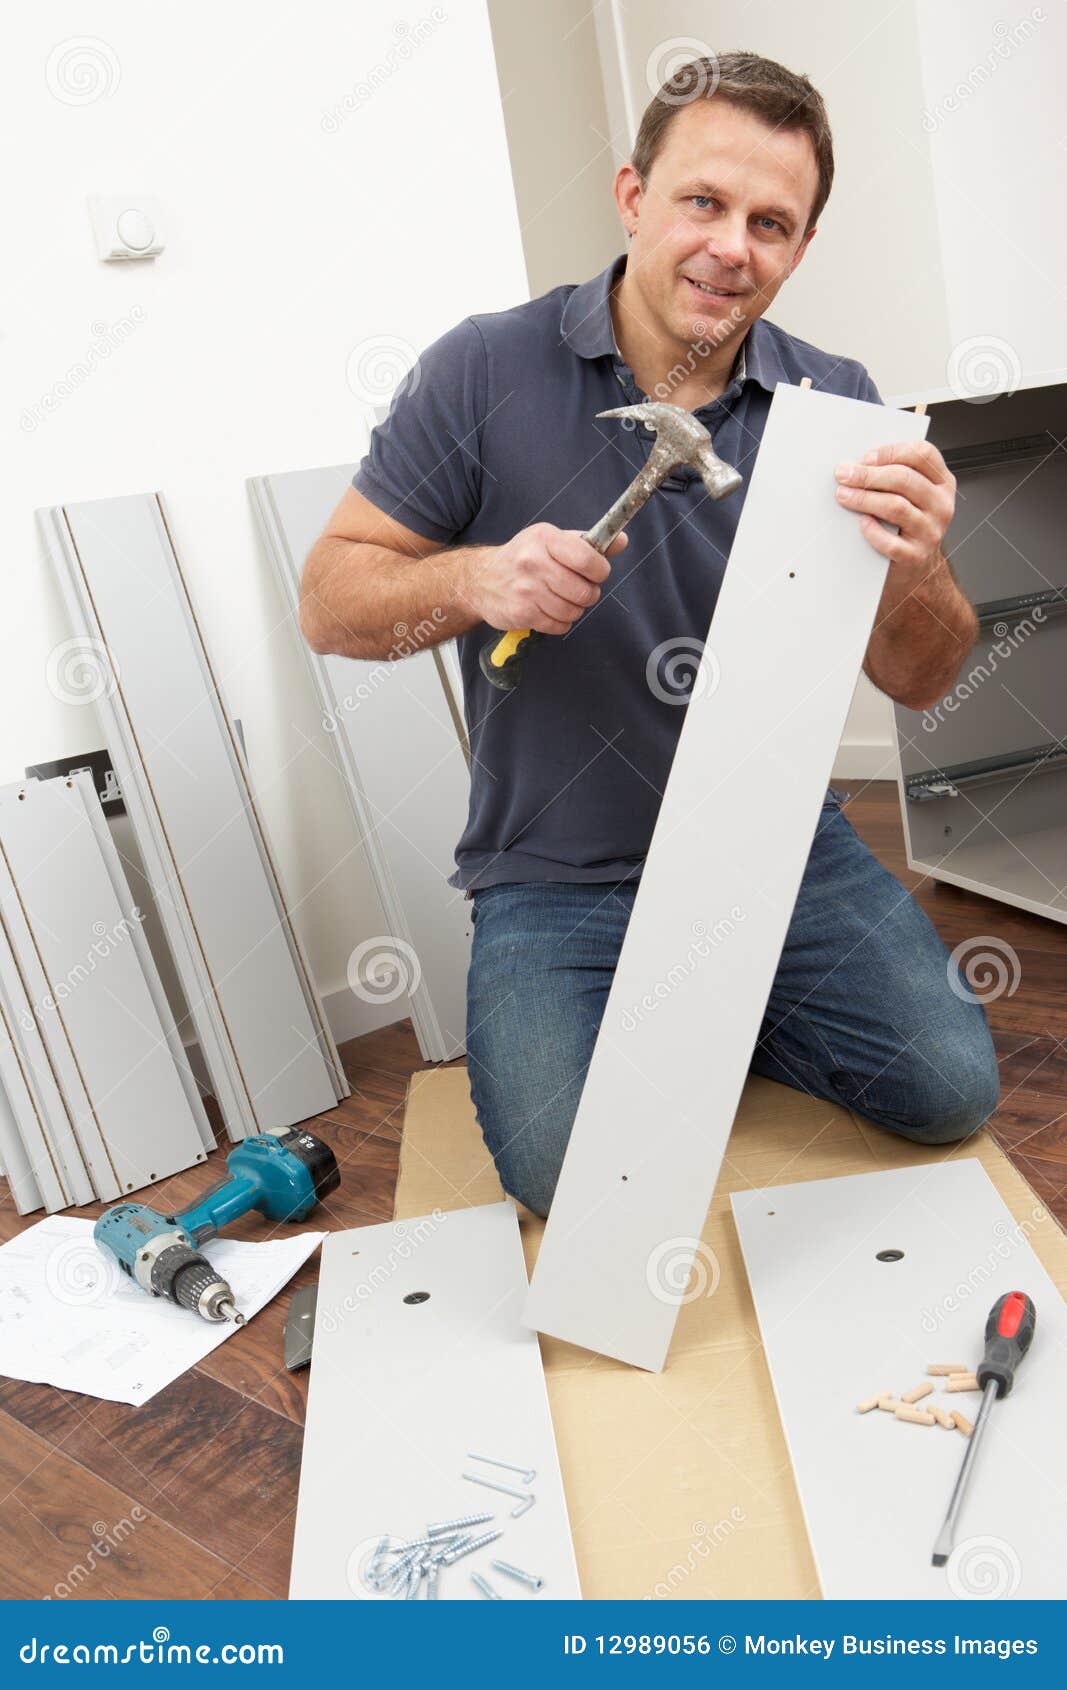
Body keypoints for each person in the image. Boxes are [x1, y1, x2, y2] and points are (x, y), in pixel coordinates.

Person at [300, 51, 1001, 1217]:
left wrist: (917, 564)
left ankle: (721, 1010)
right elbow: (330, 598)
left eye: (770, 222)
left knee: (947, 1090)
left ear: (797, 249)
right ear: (632, 198)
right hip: (554, 875)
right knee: (581, 1190)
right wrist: (477, 578)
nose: (733, 245)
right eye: (703, 202)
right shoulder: (482, 368)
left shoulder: (836, 406)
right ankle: (684, 1011)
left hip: (775, 850)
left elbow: (919, 678)